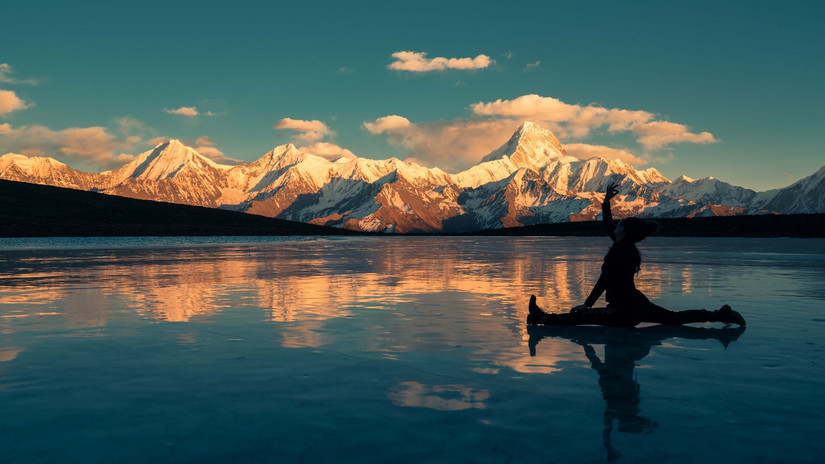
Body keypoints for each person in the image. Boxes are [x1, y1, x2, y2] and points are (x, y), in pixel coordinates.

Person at [527, 182, 746, 327]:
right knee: (672, 317)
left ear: (626, 231)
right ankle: (718, 315)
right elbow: (607, 226)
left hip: (623, 311)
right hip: (635, 304)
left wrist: (588, 303)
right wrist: (605, 202)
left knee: (582, 316)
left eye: (621, 224)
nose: (618, 225)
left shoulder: (622, 250)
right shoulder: (624, 245)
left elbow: (606, 279)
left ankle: (541, 318)